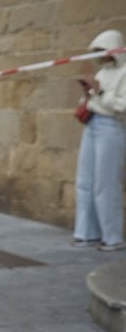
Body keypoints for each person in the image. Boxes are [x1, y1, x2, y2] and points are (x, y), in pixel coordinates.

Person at [73, 28, 126, 252]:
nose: (100, 56)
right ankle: (87, 232)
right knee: (85, 181)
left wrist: (101, 93)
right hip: (93, 125)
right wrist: (88, 93)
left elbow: (122, 106)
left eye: (103, 51)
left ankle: (112, 237)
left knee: (106, 183)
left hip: (111, 127)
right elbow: (96, 97)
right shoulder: (103, 72)